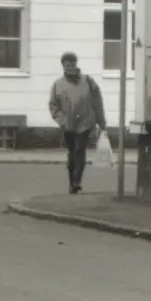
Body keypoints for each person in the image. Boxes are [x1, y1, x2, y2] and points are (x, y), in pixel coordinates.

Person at [48, 52, 107, 194]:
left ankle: (77, 180)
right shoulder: (58, 85)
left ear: (76, 64)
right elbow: (53, 105)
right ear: (63, 66)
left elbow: (97, 102)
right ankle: (72, 183)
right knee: (72, 152)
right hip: (68, 124)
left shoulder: (88, 81)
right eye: (67, 65)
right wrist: (61, 120)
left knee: (80, 150)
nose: (70, 67)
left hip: (85, 122)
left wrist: (101, 122)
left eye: (72, 64)